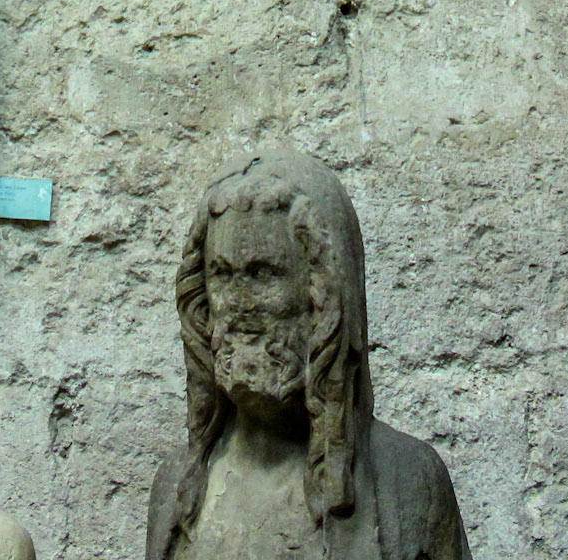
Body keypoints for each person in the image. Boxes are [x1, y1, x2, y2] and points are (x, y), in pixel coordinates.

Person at [148, 147, 471, 559]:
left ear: (324, 294)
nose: (239, 303)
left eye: (263, 274)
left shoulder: (407, 480)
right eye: (222, 275)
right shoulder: (177, 489)